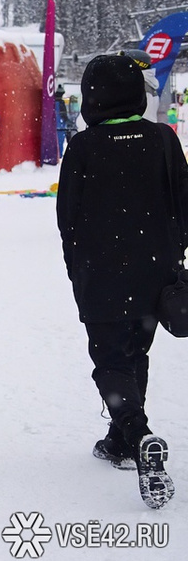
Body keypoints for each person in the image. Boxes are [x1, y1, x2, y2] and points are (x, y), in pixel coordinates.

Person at [56, 54, 183, 510]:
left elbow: (67, 217)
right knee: (136, 352)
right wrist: (173, 255)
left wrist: (78, 266)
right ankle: (119, 438)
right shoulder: (163, 139)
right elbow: (182, 204)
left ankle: (136, 432)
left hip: (102, 270)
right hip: (155, 271)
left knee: (110, 358)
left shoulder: (85, 147)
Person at [54, 86, 74, 157]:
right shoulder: (61, 102)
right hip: (60, 127)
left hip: (52, 126)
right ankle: (59, 156)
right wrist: (68, 121)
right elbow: (63, 115)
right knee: (60, 143)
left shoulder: (51, 101)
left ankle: (55, 155)